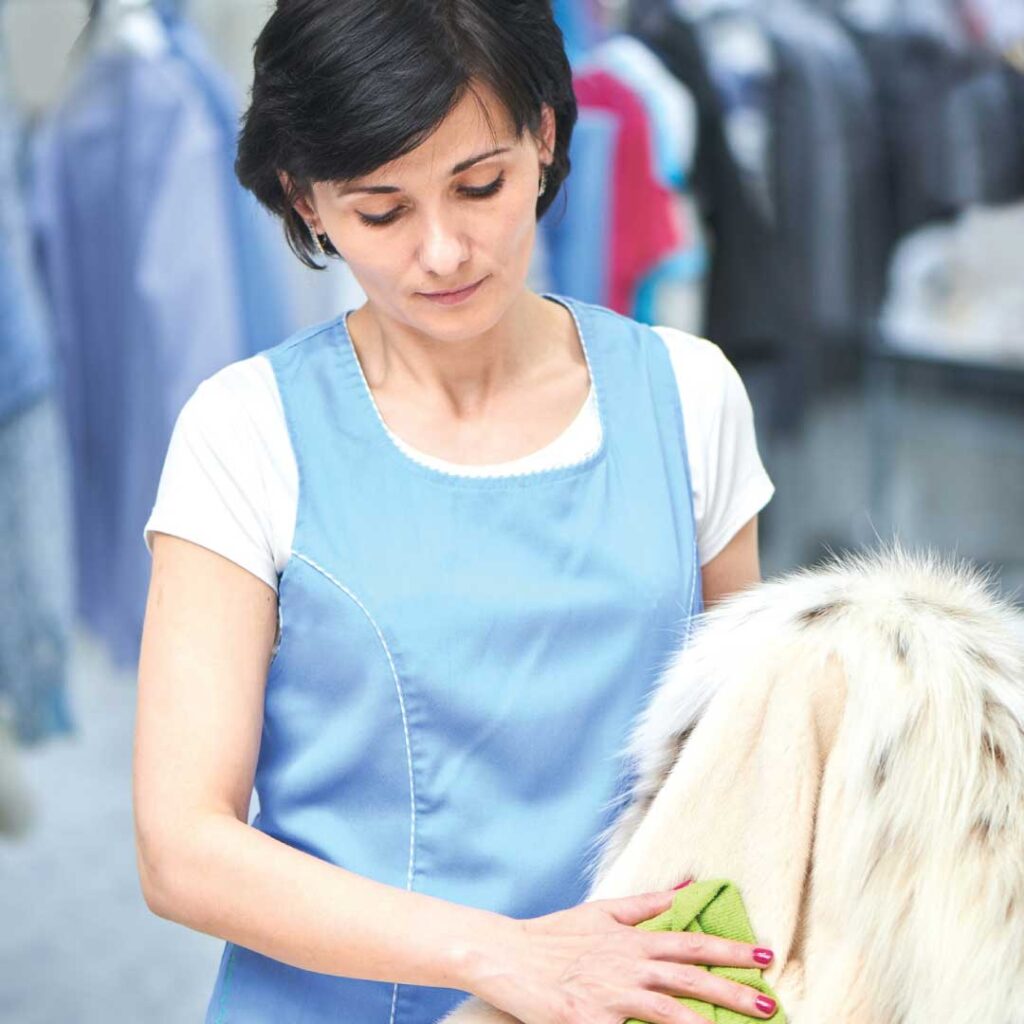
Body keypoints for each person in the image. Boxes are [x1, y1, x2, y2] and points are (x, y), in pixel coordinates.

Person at [132, 2, 777, 1022]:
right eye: (380, 211)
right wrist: (503, 957)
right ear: (307, 202)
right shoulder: (243, 430)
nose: (443, 251)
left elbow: (745, 755)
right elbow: (182, 848)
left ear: (546, 138)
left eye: (480, 185)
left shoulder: (689, 397)